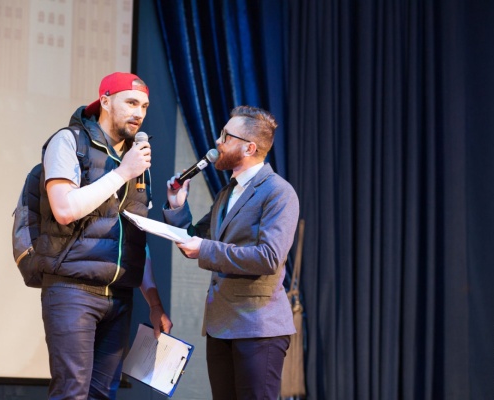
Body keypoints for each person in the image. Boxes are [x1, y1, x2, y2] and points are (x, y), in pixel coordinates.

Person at [38, 72, 172, 400]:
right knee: (72, 392)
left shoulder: (137, 160)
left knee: (103, 394)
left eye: (144, 106)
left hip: (120, 296)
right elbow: (64, 209)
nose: (139, 113)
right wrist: (123, 172)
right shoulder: (69, 141)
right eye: (131, 103)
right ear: (106, 101)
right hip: (73, 289)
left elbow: (136, 237)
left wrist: (154, 303)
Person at [164, 105, 300, 399]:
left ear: (249, 147)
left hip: (258, 328)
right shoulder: (227, 192)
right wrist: (177, 206)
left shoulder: (278, 192)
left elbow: (268, 257)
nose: (218, 141)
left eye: (226, 136)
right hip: (221, 325)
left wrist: (204, 249)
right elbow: (197, 239)